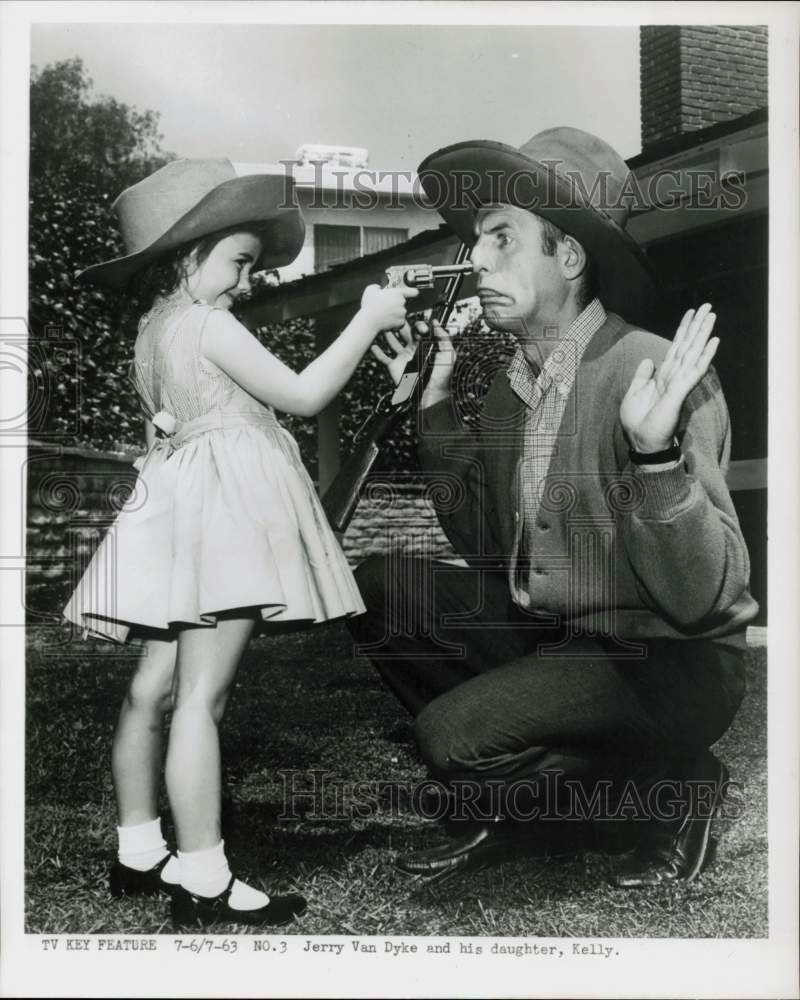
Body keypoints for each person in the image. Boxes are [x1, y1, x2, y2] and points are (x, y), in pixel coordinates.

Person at [351, 127, 758, 886]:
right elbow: (482, 549)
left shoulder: (653, 371)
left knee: (452, 740)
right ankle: (524, 794)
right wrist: (436, 406)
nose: (475, 262)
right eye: (478, 242)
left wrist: (655, 457)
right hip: (560, 635)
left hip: (667, 658)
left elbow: (704, 596)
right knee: (378, 588)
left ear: (569, 257)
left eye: (501, 239)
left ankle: (670, 791)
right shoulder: (514, 384)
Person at [63, 158, 416, 928]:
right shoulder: (210, 324)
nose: (247, 281)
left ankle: (136, 851)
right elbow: (303, 394)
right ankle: (203, 878)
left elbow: (165, 429)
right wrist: (368, 318)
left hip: (179, 508)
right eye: (239, 262)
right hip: (222, 513)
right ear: (187, 253)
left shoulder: (152, 333)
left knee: (151, 690)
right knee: (201, 697)